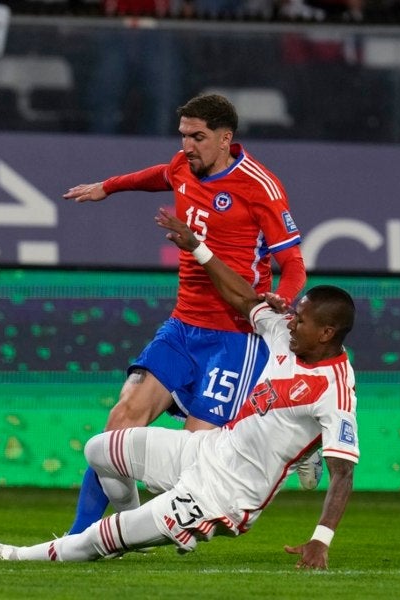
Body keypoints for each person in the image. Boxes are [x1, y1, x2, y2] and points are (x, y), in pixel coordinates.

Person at [0, 208, 358, 568]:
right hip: (208, 450)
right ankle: (140, 534)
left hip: (225, 495)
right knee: (100, 449)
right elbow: (242, 297)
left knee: (102, 538)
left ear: (325, 333)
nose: (290, 321)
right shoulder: (283, 336)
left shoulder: (335, 391)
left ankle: (9, 555)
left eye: (301, 320)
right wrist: (199, 248)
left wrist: (321, 540)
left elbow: (343, 474)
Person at [62, 93, 308, 534]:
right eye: (183, 136)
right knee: (118, 425)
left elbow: (293, 264)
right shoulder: (182, 165)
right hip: (181, 327)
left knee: (195, 462)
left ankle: (286, 456)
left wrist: (283, 298)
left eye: (197, 137)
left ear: (225, 138)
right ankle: (81, 537)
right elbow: (160, 175)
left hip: (235, 338)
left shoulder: (260, 187)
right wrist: (109, 187)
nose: (187, 146)